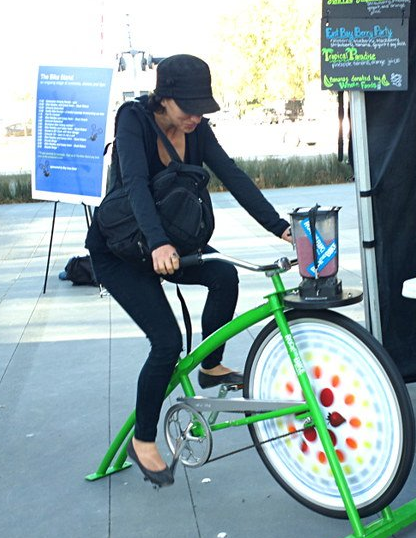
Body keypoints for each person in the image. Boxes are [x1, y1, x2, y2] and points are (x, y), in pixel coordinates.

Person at [86, 54, 292, 488]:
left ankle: (211, 365)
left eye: (203, 108)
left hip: (170, 243)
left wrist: (282, 228)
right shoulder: (134, 120)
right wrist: (158, 242)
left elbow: (233, 176)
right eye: (188, 108)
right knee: (165, 341)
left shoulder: (199, 130)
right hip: (121, 249)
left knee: (224, 276)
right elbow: (137, 184)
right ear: (163, 99)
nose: (197, 117)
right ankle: (144, 439)